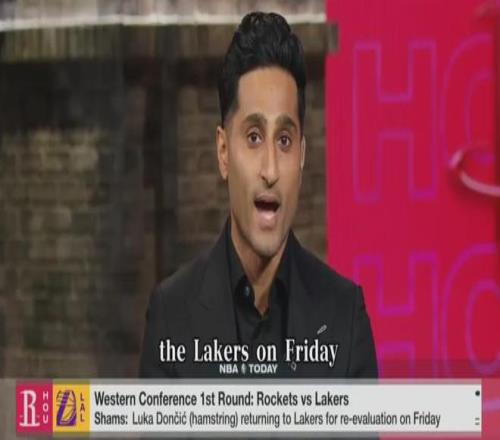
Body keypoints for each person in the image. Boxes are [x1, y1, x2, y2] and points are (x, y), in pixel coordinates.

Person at [139, 11, 377, 378]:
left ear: (302, 156)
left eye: (284, 140)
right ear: (223, 152)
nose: (270, 169)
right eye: (253, 137)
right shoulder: (171, 316)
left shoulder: (345, 317)